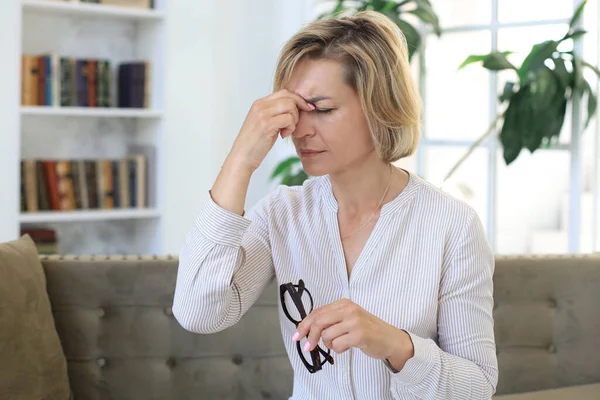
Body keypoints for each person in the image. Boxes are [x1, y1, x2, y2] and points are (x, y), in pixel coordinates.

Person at [172, 10, 498, 400]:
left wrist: (396, 345)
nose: (300, 130)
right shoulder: (284, 213)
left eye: (323, 110)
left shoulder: (451, 225)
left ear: (380, 106)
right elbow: (198, 313)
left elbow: (477, 387)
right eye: (294, 111)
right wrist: (241, 159)